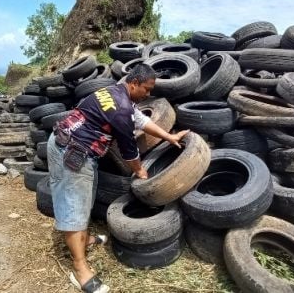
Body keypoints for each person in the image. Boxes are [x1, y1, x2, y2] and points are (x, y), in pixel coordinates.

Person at [47, 64, 189, 293]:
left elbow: (140, 119)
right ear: (134, 84)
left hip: (73, 146)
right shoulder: (121, 109)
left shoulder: (114, 91)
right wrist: (141, 172)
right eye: (147, 89)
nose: (149, 94)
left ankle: (85, 239)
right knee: (74, 205)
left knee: (84, 199)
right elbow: (129, 153)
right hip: (71, 153)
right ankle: (80, 269)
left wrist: (168, 136)